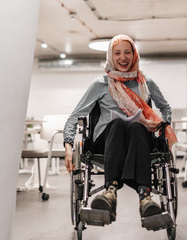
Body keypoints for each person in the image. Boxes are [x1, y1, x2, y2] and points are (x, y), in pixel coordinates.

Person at [63, 34, 177, 223]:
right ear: (110, 56)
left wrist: (162, 123)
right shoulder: (101, 84)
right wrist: (68, 144)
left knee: (135, 125)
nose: (122, 57)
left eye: (127, 52)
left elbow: (165, 108)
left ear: (134, 55)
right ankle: (111, 191)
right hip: (106, 142)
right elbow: (75, 116)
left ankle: (145, 196)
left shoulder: (145, 82)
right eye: (117, 53)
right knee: (116, 123)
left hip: (139, 139)